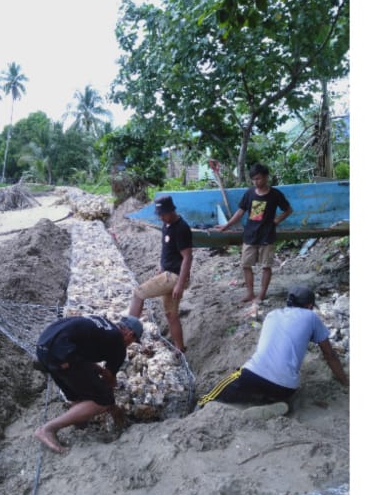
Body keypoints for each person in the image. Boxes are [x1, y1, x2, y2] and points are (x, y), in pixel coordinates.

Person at [199, 285, 348, 408]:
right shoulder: (311, 317)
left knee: (212, 395)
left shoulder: (272, 314)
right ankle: (270, 403)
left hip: (253, 376)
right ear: (309, 306)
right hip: (286, 388)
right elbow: (330, 355)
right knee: (267, 390)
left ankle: (200, 406)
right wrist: (344, 381)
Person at [33, 314, 144, 453]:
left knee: (78, 394)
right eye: (133, 341)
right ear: (130, 334)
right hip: (63, 354)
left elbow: (84, 356)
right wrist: (112, 405)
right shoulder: (118, 343)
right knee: (102, 401)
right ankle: (48, 429)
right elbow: (108, 380)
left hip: (44, 347)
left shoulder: (103, 323)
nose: (130, 345)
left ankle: (80, 422)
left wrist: (97, 369)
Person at [211, 162, 292, 305]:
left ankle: (261, 295)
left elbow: (288, 210)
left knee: (266, 266)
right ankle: (250, 293)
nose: (256, 182)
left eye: (259, 179)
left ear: (266, 177)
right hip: (250, 235)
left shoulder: (275, 194)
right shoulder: (249, 193)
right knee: (246, 265)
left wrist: (277, 220)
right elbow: (240, 212)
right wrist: (226, 226)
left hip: (267, 235)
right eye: (254, 179)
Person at [128, 195, 192, 352]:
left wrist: (179, 283)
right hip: (167, 273)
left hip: (174, 276)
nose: (161, 217)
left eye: (163, 214)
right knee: (171, 315)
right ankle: (180, 348)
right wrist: (161, 265)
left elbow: (187, 257)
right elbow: (167, 251)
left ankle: (126, 332)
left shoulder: (181, 228)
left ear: (172, 210)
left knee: (138, 294)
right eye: (159, 215)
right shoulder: (167, 225)